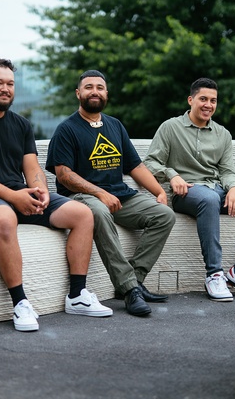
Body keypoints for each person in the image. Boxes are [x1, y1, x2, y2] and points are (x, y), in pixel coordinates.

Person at [0, 59, 112, 332]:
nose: (5, 89)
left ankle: (77, 296)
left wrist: (42, 192)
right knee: (3, 219)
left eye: (10, 84)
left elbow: (32, 167)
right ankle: (20, 303)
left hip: (19, 195)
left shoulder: (21, 124)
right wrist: (14, 197)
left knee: (83, 214)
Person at [46, 70, 176, 317]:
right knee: (98, 212)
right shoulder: (67, 129)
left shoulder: (115, 125)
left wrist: (159, 191)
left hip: (120, 196)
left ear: (106, 93)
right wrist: (99, 193)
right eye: (88, 87)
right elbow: (63, 175)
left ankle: (134, 280)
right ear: (78, 93)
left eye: (99, 87)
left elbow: (135, 166)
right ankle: (129, 291)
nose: (94, 91)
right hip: (80, 198)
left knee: (164, 216)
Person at [144, 77, 235, 302]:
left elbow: (227, 170)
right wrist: (172, 174)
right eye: (203, 99)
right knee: (208, 199)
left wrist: (234, 188)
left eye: (213, 101)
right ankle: (213, 274)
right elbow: (150, 162)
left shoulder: (222, 134)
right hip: (188, 192)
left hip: (218, 189)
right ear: (191, 100)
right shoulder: (170, 127)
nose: (208, 105)